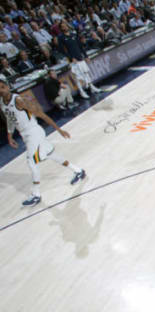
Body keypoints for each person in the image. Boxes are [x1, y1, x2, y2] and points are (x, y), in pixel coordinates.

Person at [0, 77, 86, 206]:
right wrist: (9, 136)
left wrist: (59, 130)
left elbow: (41, 115)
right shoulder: (2, 103)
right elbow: (10, 119)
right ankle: (78, 171)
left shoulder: (19, 100)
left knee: (31, 162)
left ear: (7, 87)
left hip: (33, 132)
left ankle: (36, 194)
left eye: (2, 87)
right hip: (26, 135)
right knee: (51, 154)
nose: (1, 91)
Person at [57, 22, 102, 99]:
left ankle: (92, 87)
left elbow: (80, 46)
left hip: (79, 57)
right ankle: (81, 91)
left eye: (65, 25)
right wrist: (71, 58)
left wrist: (86, 56)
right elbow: (62, 50)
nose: (64, 27)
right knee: (77, 77)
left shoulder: (73, 34)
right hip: (73, 60)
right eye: (62, 27)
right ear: (61, 28)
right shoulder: (61, 37)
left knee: (86, 73)